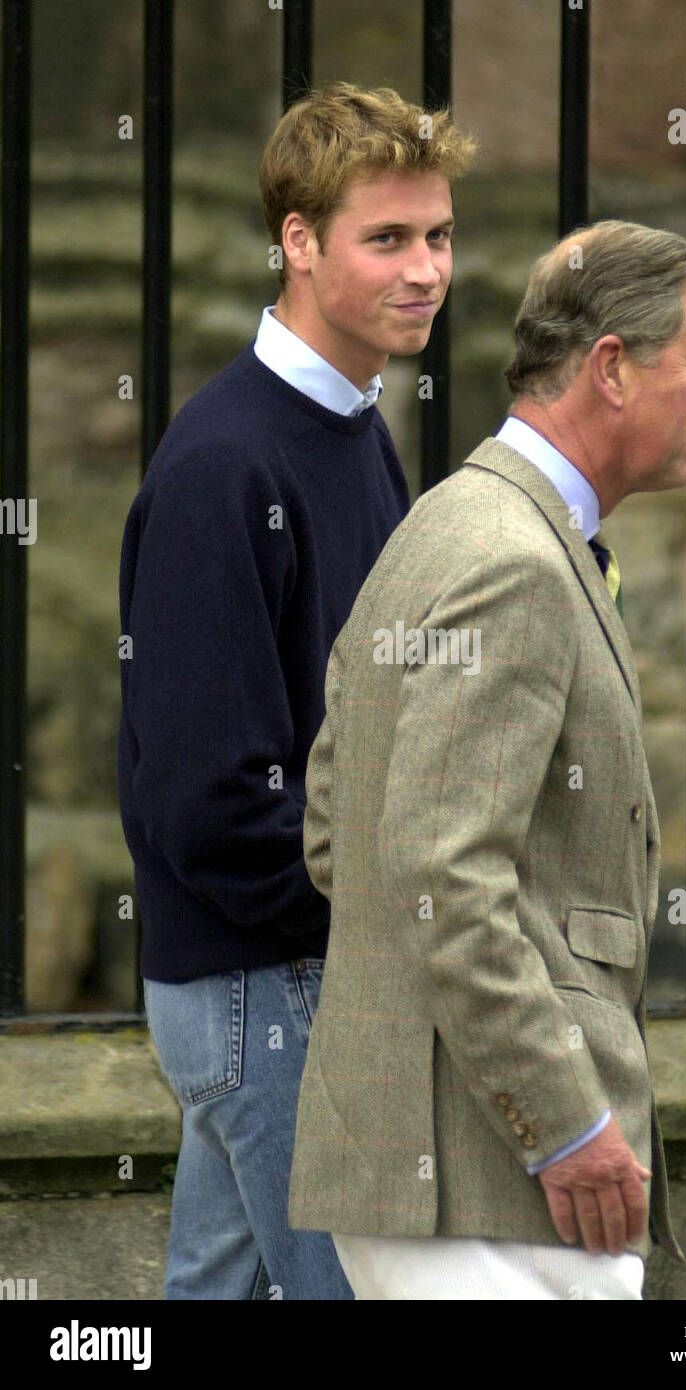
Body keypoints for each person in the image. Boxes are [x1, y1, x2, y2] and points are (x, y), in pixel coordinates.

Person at [288, 219, 686, 1300]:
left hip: (456, 1180)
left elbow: (331, 826)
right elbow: (441, 873)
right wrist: (565, 1121)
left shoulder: (453, 520)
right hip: (494, 1193)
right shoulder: (514, 562)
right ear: (613, 367)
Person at [117, 82, 476, 1300]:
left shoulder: (351, 426)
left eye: (436, 236)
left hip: (281, 978)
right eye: (387, 239)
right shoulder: (228, 461)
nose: (425, 269)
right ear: (300, 242)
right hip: (264, 989)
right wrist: (379, 930)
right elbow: (211, 799)